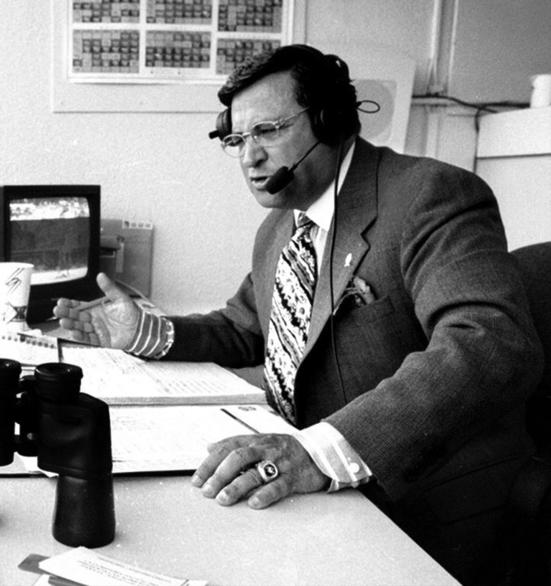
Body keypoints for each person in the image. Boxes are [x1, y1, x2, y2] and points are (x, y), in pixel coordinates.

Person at [54, 44, 542, 585]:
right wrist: (149, 331)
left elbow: (488, 342)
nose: (249, 157)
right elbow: (245, 327)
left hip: (424, 499)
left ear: (330, 120)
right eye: (237, 139)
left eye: (268, 131)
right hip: (313, 485)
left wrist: (319, 451)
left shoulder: (430, 194)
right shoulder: (281, 228)